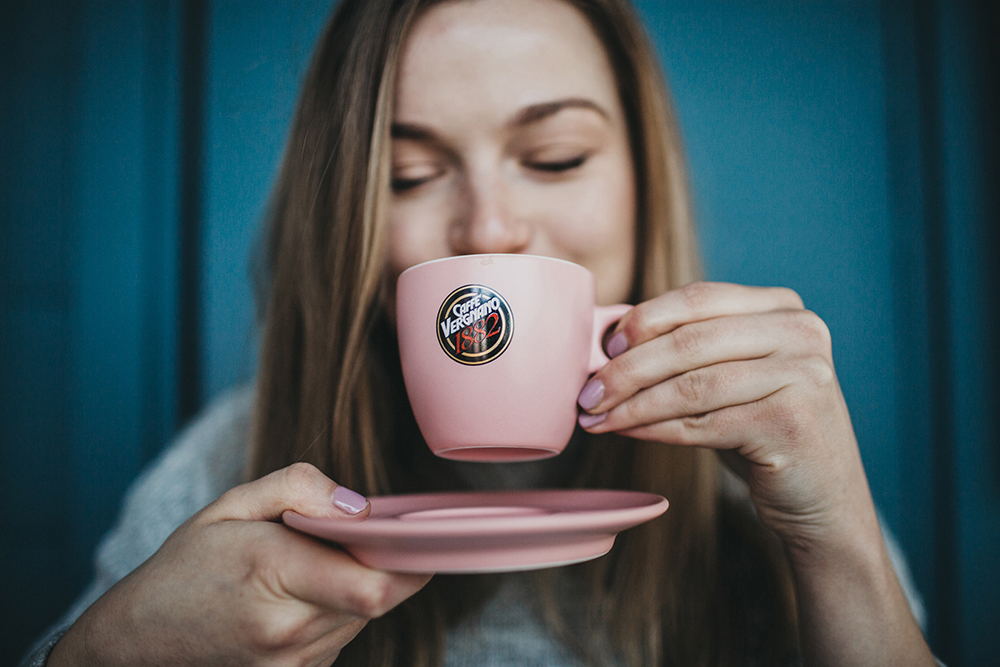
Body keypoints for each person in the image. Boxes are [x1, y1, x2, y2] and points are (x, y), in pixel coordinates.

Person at [23, 0, 938, 665]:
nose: (489, 228)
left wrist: (837, 541)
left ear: (641, 180)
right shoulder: (225, 471)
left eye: (554, 158)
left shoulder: (761, 476)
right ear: (347, 220)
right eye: (412, 174)